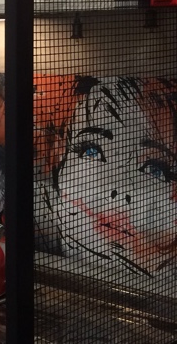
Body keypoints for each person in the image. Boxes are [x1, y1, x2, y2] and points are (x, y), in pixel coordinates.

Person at [35, 75, 177, 277]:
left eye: (153, 168)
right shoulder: (36, 213)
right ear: (59, 157)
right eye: (92, 151)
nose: (114, 187)